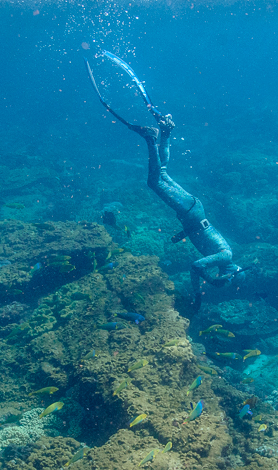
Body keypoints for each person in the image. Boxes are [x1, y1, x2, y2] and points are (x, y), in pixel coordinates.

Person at [86, 51, 244, 310]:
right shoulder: (225, 255)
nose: (221, 278)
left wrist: (183, 237)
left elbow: (204, 237)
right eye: (225, 279)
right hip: (191, 212)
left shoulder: (223, 256)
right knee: (155, 182)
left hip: (193, 212)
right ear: (230, 272)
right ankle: (150, 137)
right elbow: (196, 265)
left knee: (163, 172)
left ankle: (165, 134)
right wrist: (205, 287)